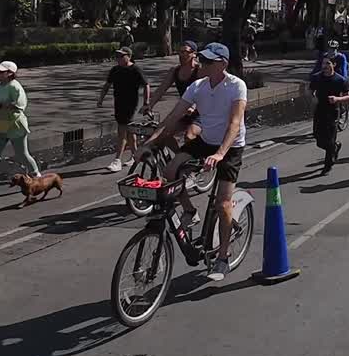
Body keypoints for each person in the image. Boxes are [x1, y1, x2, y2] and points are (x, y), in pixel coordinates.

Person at [145, 43, 247, 282]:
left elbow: (234, 123)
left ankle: (223, 256)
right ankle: (190, 210)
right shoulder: (197, 86)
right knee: (170, 171)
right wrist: (148, 144)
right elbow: (173, 117)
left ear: (222, 64)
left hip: (230, 145)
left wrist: (221, 153)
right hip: (205, 140)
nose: (203, 64)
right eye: (202, 60)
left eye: (209, 61)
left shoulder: (236, 86)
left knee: (222, 203)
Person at [0, 61, 41, 198]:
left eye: (1, 72)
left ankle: (38, 178)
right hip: (2, 123)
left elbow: (19, 106)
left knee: (22, 154)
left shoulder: (15, 87)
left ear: (10, 73)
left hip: (15, 124)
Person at [98, 47, 150, 172]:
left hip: (131, 104)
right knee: (130, 130)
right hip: (119, 103)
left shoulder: (135, 70)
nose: (118, 59)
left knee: (122, 129)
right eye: (117, 56)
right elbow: (107, 85)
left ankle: (117, 160)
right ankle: (135, 155)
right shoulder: (115, 70)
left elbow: (146, 85)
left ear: (129, 56)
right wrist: (101, 99)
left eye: (121, 56)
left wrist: (146, 103)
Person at [146, 40, 204, 147]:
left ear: (193, 54)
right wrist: (150, 105)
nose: (181, 55)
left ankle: (194, 159)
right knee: (164, 134)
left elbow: (203, 92)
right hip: (184, 110)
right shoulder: (175, 71)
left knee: (189, 135)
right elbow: (161, 90)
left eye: (185, 52)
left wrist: (194, 106)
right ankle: (179, 159)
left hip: (201, 112)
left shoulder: (199, 70)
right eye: (180, 52)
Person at [312, 56, 349, 173]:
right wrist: (313, 97)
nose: (325, 66)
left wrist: (337, 99)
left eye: (328, 63)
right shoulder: (317, 77)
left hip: (333, 112)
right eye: (323, 64)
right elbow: (310, 91)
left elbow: (348, 97)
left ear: (334, 65)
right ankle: (335, 147)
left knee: (329, 139)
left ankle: (327, 165)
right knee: (319, 140)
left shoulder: (340, 80)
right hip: (319, 111)